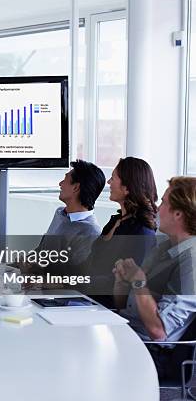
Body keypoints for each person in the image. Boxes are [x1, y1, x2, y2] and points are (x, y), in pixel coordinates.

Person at [113, 176, 196, 379]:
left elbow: (159, 332)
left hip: (154, 354)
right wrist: (122, 280)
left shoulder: (191, 262)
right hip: (129, 333)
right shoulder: (163, 246)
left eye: (164, 202)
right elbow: (122, 304)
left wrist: (139, 282)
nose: (158, 208)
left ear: (178, 213)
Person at [84, 157, 158, 305]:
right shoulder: (115, 220)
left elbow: (122, 281)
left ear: (128, 187)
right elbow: (91, 264)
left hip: (106, 307)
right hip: (87, 298)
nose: (109, 182)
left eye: (113, 178)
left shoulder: (142, 232)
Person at [36, 159, 106, 272]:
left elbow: (72, 276)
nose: (60, 184)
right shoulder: (60, 213)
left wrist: (34, 270)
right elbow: (41, 251)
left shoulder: (91, 232)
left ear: (76, 188)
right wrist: (22, 263)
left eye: (65, 180)